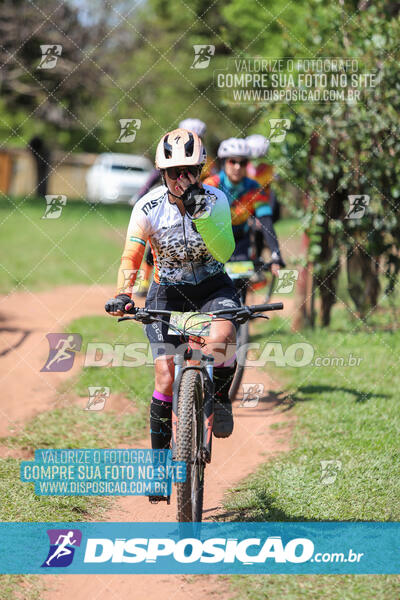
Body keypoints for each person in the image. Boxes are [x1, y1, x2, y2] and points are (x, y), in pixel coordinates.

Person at [105, 128, 240, 468]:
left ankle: (221, 398)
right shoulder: (147, 207)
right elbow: (131, 255)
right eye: (173, 172)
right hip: (167, 291)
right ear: (162, 173)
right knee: (165, 374)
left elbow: (224, 251)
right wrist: (124, 292)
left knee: (223, 338)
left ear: (201, 170)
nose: (182, 179)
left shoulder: (216, 200)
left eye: (189, 171)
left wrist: (202, 216)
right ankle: (159, 465)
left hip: (212, 286)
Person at [135, 118, 214, 297]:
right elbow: (154, 177)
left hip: (197, 199)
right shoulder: (169, 156)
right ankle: (144, 280)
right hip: (171, 204)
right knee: (156, 246)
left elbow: (211, 182)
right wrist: (141, 196)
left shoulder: (206, 160)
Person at [203, 138, 284, 283]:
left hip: (241, 239)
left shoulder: (254, 188)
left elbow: (265, 220)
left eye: (243, 162)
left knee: (239, 284)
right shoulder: (211, 185)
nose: (237, 167)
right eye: (232, 161)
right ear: (224, 162)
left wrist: (275, 254)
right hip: (214, 239)